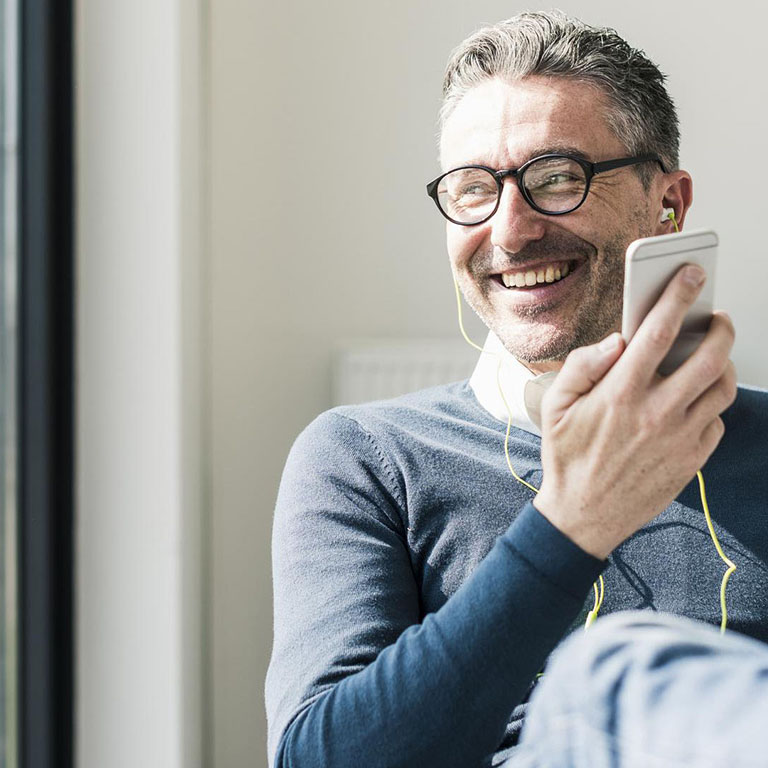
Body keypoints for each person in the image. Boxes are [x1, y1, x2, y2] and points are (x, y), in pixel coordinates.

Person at [265, 11, 768, 768]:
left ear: (668, 204)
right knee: (612, 675)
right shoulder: (365, 458)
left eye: (558, 178)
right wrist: (571, 524)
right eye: (472, 190)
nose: (509, 230)